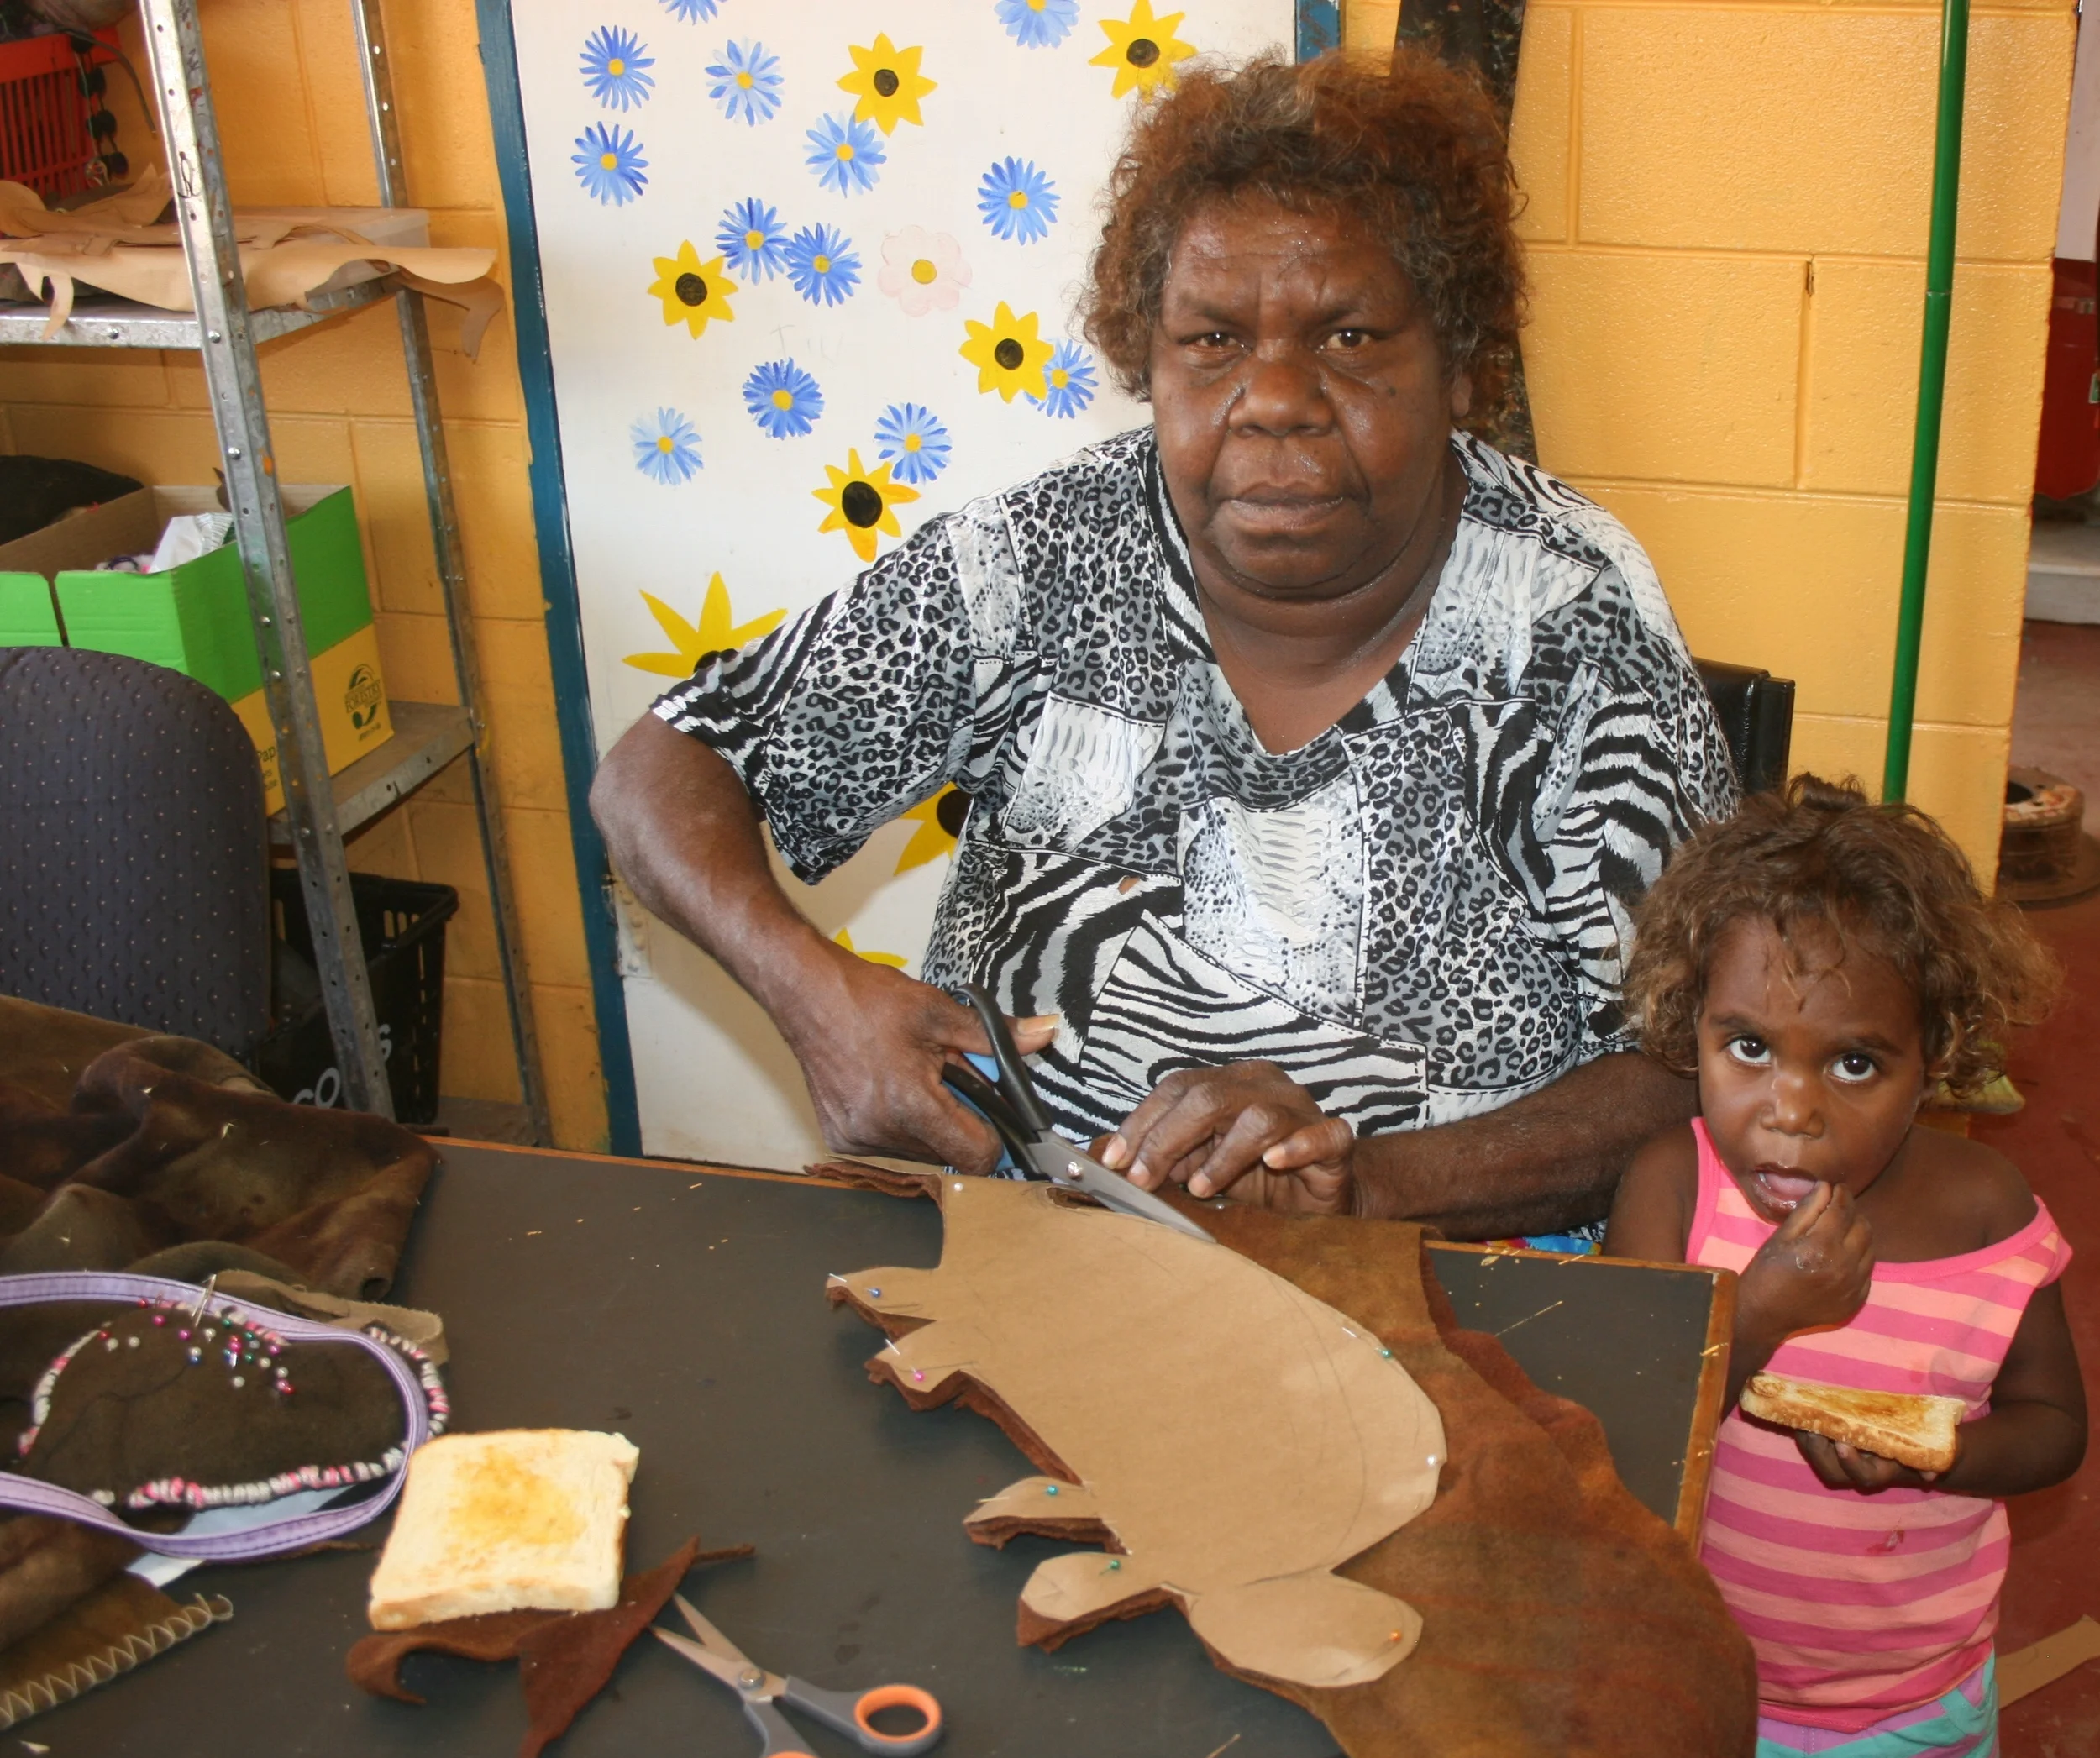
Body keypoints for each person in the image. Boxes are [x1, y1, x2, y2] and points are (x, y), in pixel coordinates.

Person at [591, 51, 1736, 1241]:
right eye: (1213, 341)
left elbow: (1698, 1059)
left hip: (1438, 1286)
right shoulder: (1045, 555)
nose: (1275, 397)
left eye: (1348, 337)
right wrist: (817, 994)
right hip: (1036, 1251)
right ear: (1150, 355)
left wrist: (1362, 1185)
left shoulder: (1566, 617)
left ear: (1459, 362)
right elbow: (660, 770)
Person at [1605, 777, 2085, 1758]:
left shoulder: (1988, 1216)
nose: (1790, 1110)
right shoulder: (1671, 1192)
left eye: (1853, 1064)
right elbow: (1622, 1432)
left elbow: (2054, 1431)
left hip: (1910, 1708)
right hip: (1689, 1681)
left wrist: (1945, 1454)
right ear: (1686, 1024)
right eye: (1747, 1046)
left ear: (1936, 1053)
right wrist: (1765, 1313)